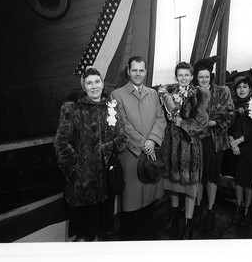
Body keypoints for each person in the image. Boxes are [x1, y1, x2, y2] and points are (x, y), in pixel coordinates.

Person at [54, 67, 127, 242]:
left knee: (102, 231)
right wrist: (75, 170)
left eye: (97, 82)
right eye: (89, 83)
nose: (94, 86)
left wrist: (105, 150)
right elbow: (61, 143)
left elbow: (123, 138)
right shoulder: (73, 109)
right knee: (84, 234)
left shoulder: (112, 107)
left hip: (106, 182)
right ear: (84, 87)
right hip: (83, 185)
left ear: (102, 84)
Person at [111, 56, 167, 241]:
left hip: (150, 154)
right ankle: (129, 242)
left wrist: (152, 140)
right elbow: (122, 123)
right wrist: (143, 143)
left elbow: (160, 118)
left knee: (149, 201)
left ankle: (146, 239)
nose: (137, 74)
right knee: (131, 203)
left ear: (145, 72)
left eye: (141, 70)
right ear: (128, 71)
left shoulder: (153, 94)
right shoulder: (117, 95)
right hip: (131, 156)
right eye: (134, 70)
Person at [159, 62, 209, 239]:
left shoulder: (199, 94)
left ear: (192, 76)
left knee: (189, 187)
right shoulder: (168, 94)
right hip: (172, 146)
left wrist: (182, 123)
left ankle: (188, 224)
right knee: (173, 185)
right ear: (176, 76)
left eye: (187, 75)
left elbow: (202, 124)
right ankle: (173, 216)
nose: (183, 78)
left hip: (189, 146)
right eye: (180, 75)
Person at [192, 57, 235, 232]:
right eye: (200, 77)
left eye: (206, 76)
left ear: (211, 76)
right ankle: (197, 208)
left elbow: (230, 115)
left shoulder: (222, 92)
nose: (203, 80)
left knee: (212, 178)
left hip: (215, 142)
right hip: (196, 142)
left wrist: (215, 124)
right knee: (198, 178)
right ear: (196, 77)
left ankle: (210, 210)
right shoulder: (192, 93)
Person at [228, 76, 252, 226]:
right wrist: (232, 141)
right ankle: (238, 207)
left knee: (249, 180)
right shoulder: (233, 105)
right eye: (239, 87)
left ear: (250, 89)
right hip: (235, 148)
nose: (242, 90)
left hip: (251, 147)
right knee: (238, 179)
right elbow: (229, 126)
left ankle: (246, 210)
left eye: (245, 86)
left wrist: (237, 142)